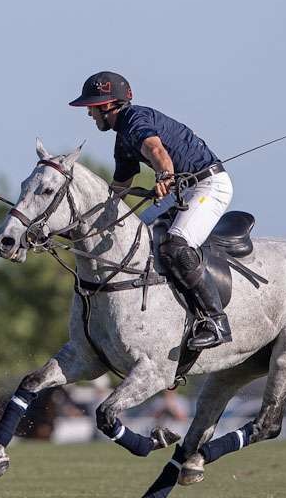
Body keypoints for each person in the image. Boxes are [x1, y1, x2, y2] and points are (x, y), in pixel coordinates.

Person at [69, 72, 233, 349]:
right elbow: (118, 189)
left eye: (92, 108)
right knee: (135, 237)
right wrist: (90, 222)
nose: (89, 114)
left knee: (175, 246)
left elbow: (157, 151)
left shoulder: (135, 122)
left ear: (108, 106)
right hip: (185, 189)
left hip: (208, 186)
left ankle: (216, 321)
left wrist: (164, 177)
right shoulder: (122, 140)